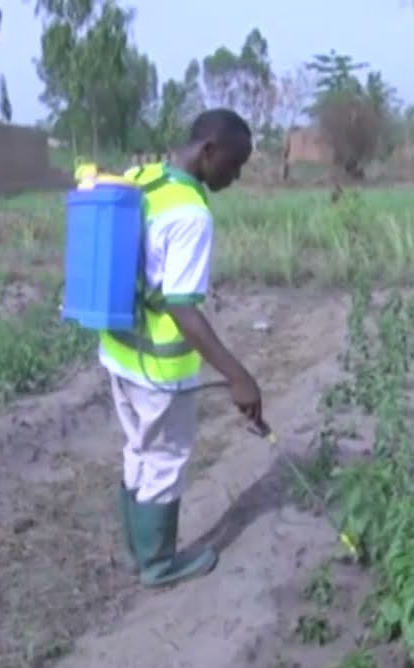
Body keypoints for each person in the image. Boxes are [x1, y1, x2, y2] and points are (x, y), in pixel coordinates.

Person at [98, 108, 264, 589]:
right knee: (165, 458)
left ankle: (138, 553)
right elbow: (182, 309)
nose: (236, 175)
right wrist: (238, 375)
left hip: (120, 349)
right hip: (158, 366)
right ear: (208, 151)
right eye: (234, 164)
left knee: (138, 448)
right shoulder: (191, 214)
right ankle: (159, 564)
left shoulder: (142, 178)